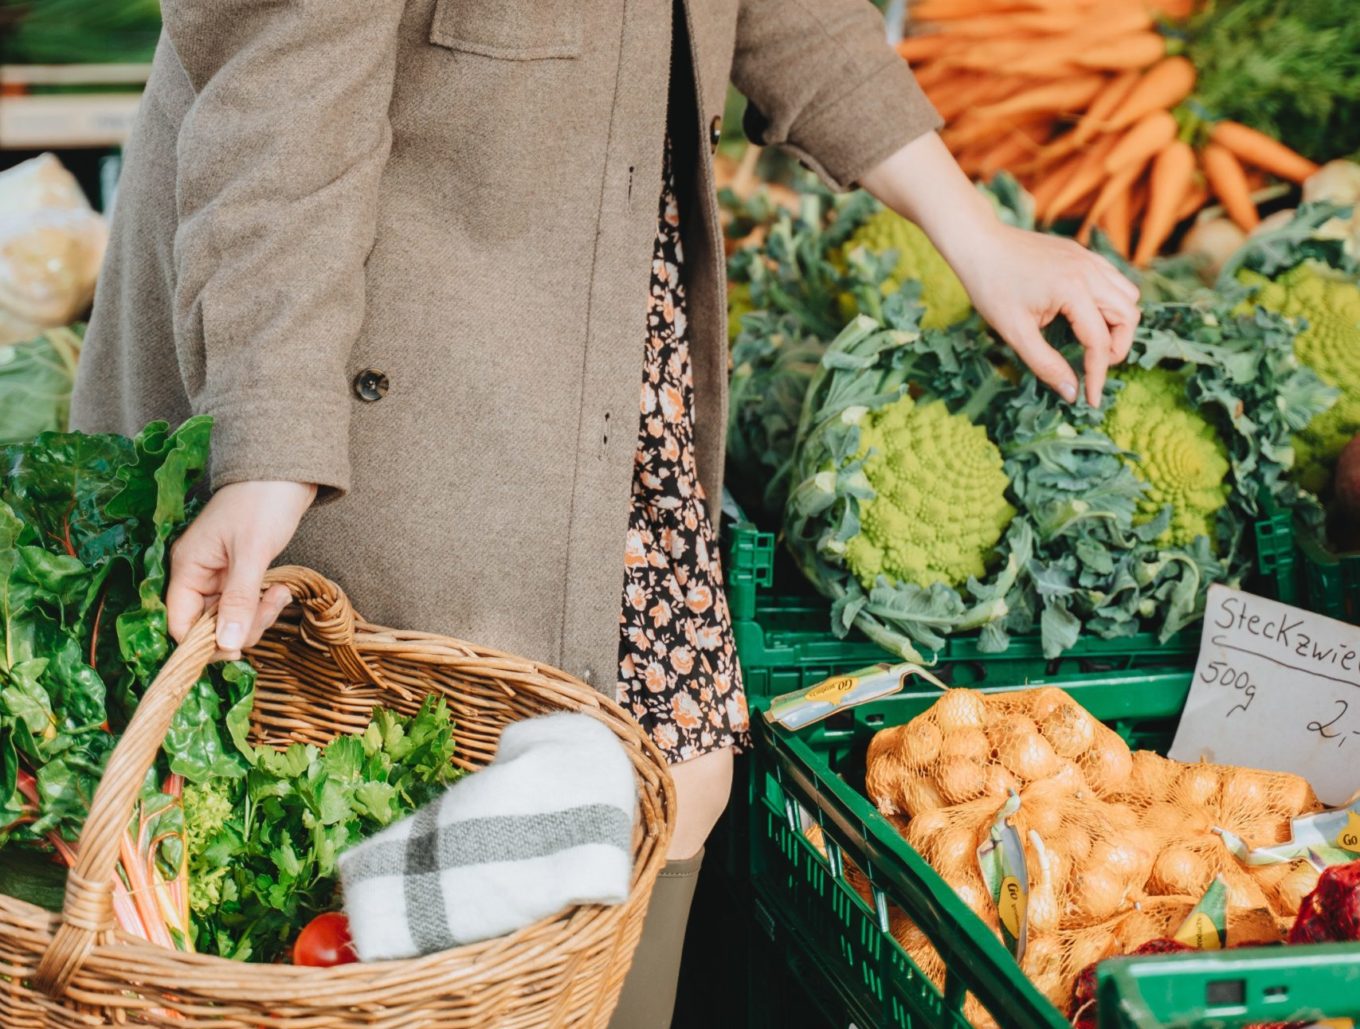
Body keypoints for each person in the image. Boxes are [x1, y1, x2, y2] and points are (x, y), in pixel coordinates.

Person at [71, 0, 1140, 1024]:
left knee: (670, 782)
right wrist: (267, 437)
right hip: (358, 338)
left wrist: (973, 229)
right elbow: (285, 89)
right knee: (391, 818)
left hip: (602, 334)